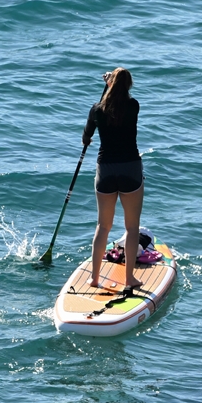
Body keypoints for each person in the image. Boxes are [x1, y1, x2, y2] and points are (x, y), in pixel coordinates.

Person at [82, 68, 144, 291]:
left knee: (103, 226)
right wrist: (112, 85)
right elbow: (120, 104)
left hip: (105, 170)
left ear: (110, 84)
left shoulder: (97, 110)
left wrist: (107, 87)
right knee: (132, 226)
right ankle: (129, 279)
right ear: (128, 86)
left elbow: (87, 135)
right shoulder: (133, 106)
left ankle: (94, 278)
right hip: (130, 169)